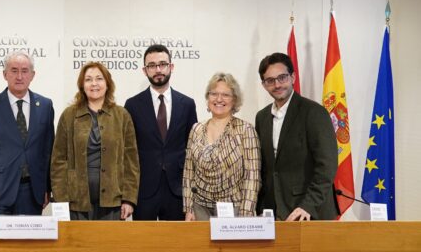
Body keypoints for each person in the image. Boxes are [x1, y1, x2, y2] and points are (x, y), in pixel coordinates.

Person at [255, 53, 338, 221]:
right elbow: (266, 168)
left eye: (282, 77)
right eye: (270, 80)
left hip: (310, 212)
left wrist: (308, 205)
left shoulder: (314, 113)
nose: (277, 84)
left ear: (293, 77)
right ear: (264, 85)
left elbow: (327, 165)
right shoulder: (261, 117)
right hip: (274, 213)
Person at [51, 62, 139, 220]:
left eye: (99, 78)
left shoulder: (122, 115)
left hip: (113, 200)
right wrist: (61, 200)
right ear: (82, 85)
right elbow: (58, 161)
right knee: (78, 244)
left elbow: (131, 160)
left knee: (107, 244)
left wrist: (129, 198)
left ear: (107, 83)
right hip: (75, 200)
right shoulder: (69, 115)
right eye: (88, 79)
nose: (94, 84)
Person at [0, 51, 55, 216]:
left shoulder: (45, 105)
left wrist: (48, 188)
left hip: (34, 192)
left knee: (31, 242)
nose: (19, 76)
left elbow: (48, 151)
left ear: (32, 75)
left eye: (25, 71)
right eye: (14, 70)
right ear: (5, 74)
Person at [124, 44, 197, 221]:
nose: (158, 69)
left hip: (177, 190)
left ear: (171, 67)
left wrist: (191, 199)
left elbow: (193, 150)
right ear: (145, 70)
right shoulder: (132, 105)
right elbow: (128, 153)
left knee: (177, 245)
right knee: (143, 244)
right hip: (144, 190)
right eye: (152, 65)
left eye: (163, 64)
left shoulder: (187, 104)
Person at [182, 73, 260, 221]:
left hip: (234, 211)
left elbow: (252, 176)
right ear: (208, 98)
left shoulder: (245, 130)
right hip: (199, 210)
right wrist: (188, 208)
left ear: (235, 100)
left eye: (225, 95)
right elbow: (188, 172)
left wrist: (246, 213)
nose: (219, 99)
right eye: (214, 94)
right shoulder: (196, 129)